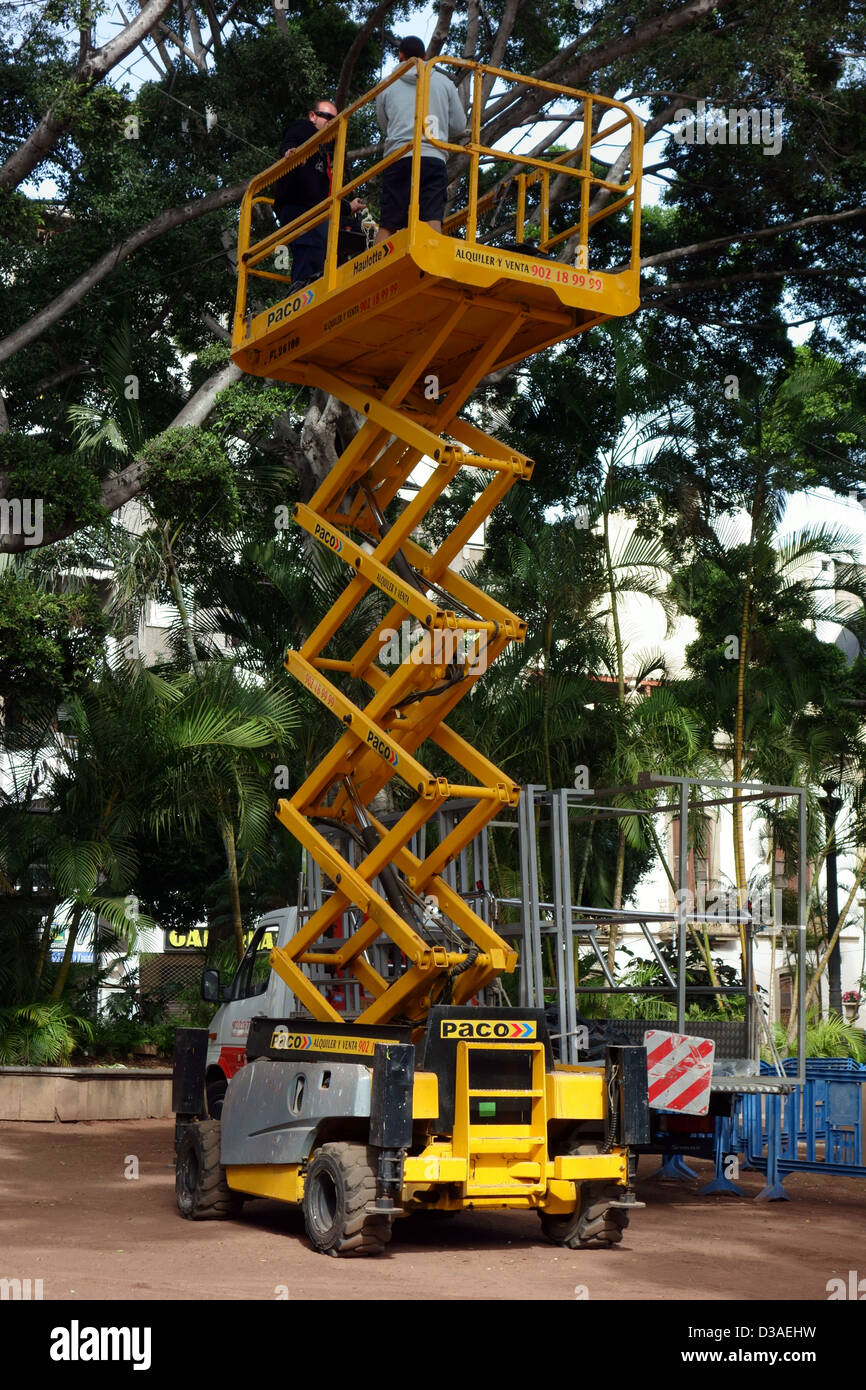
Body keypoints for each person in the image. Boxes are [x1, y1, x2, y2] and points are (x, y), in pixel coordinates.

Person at [374, 36, 467, 244]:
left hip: (398, 156)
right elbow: (460, 126)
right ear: (426, 56)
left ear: (400, 56)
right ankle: (432, 267)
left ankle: (377, 265)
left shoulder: (386, 84)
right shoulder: (444, 83)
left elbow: (384, 125)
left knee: (388, 223)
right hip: (432, 156)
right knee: (432, 217)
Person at [271, 99, 366, 285]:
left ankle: (327, 282)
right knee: (310, 245)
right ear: (313, 116)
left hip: (315, 210)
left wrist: (348, 208)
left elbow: (324, 198)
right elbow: (291, 139)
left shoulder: (324, 151)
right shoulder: (305, 129)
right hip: (297, 207)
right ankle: (301, 290)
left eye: (335, 119)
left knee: (340, 237)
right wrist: (289, 152)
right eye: (327, 116)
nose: (331, 122)